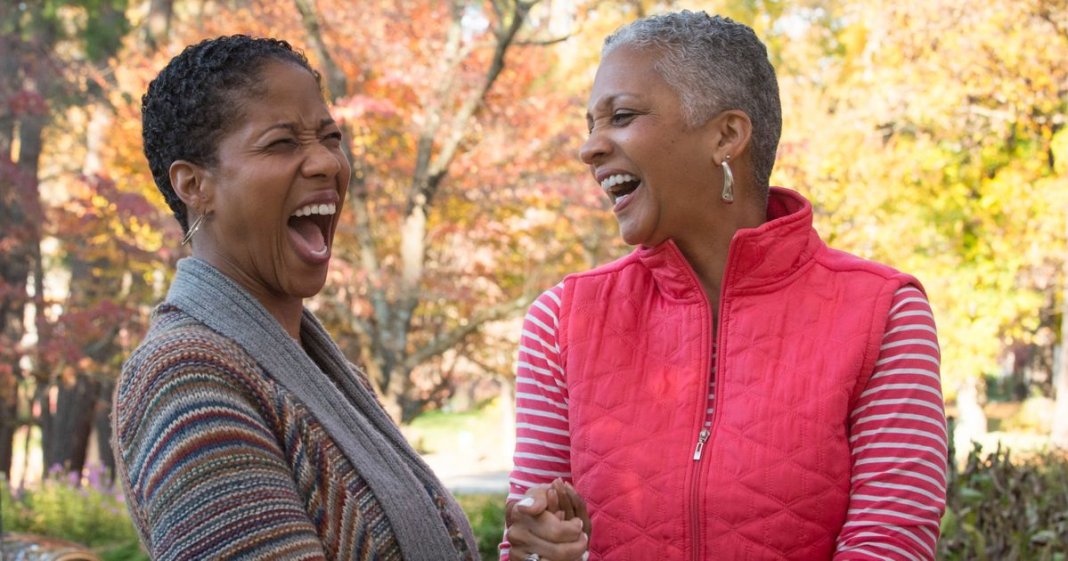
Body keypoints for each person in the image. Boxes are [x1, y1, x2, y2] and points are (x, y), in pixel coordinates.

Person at [501, 11, 947, 561]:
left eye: (621, 116)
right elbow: (525, 545)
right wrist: (541, 552)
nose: (590, 148)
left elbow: (890, 545)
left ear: (727, 136)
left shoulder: (883, 314)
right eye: (591, 124)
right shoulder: (561, 321)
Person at [111, 35, 477, 560]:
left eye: (330, 137)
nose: (327, 162)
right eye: (282, 143)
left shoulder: (322, 372)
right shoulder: (185, 380)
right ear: (194, 185)